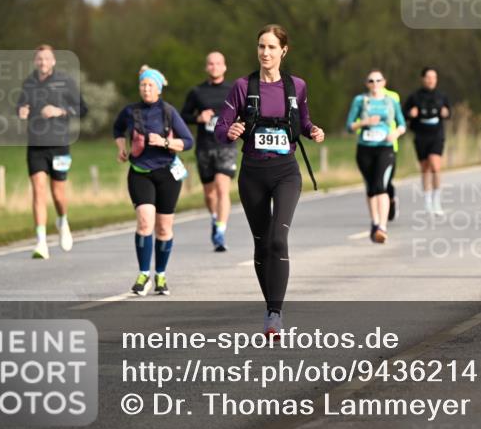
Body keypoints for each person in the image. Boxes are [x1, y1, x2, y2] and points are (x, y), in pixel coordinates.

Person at [214, 25, 325, 336]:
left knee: (278, 238)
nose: (265, 53)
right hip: (252, 174)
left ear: (283, 51)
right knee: (262, 244)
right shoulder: (241, 86)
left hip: (286, 172)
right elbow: (220, 129)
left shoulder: (297, 86)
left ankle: (275, 314)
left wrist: (313, 131)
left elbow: (302, 122)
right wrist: (230, 132)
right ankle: (270, 308)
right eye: (261, 47)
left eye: (272, 47)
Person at [113, 66, 194, 296]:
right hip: (140, 172)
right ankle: (143, 274)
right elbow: (117, 128)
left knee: (163, 227)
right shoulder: (130, 111)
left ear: (158, 88)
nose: (146, 88)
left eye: (150, 85)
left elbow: (188, 141)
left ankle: (160, 275)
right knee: (145, 222)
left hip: (168, 174)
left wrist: (165, 143)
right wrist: (121, 148)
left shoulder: (168, 112)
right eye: (143, 85)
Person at [17, 44, 88, 260]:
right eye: (39, 59)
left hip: (59, 145)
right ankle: (41, 243)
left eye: (46, 59)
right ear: (35, 61)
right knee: (39, 191)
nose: (43, 62)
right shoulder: (28, 83)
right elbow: (20, 106)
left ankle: (62, 220)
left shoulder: (65, 82)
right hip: (36, 146)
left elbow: (83, 109)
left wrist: (60, 111)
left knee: (58, 194)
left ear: (53, 61)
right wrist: (21, 110)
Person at [181, 52, 236, 251]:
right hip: (205, 146)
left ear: (224, 66)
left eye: (218, 63)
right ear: (207, 68)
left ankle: (221, 231)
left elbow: (246, 112)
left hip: (226, 145)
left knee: (222, 188)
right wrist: (198, 118)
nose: (214, 67)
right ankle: (215, 218)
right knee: (210, 194)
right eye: (210, 64)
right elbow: (182, 116)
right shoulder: (196, 92)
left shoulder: (233, 89)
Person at [347, 70, 406, 243]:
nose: (375, 84)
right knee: (371, 187)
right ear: (367, 83)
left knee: (381, 185)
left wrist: (395, 134)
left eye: (378, 80)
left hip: (385, 148)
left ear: (384, 82)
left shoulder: (391, 101)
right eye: (371, 81)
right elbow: (349, 126)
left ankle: (382, 226)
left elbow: (402, 124)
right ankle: (374, 222)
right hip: (365, 149)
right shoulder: (360, 101)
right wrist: (364, 122)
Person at [404, 67, 451, 216]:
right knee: (425, 168)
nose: (431, 80)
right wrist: (410, 114)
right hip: (420, 135)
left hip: (437, 134)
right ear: (423, 79)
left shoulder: (442, 96)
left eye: (434, 77)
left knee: (435, 166)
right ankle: (427, 201)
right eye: (428, 77)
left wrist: (446, 112)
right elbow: (404, 113)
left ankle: (437, 201)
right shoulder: (415, 96)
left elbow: (449, 112)